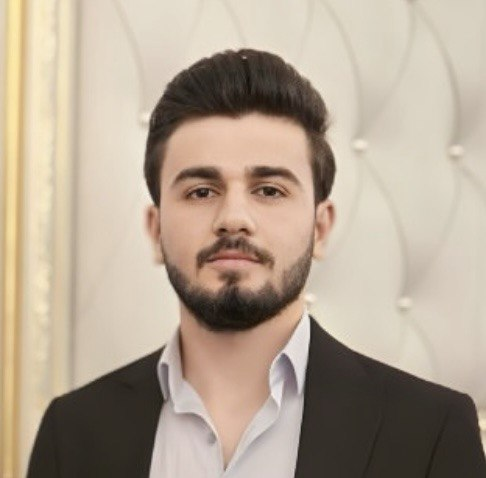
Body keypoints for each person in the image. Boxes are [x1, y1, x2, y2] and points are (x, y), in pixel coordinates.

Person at [28, 48, 485, 478]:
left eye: (269, 190)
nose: (233, 218)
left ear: (320, 227)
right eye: (200, 191)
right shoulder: (72, 434)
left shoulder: (430, 433)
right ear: (155, 230)